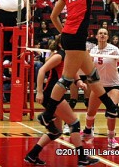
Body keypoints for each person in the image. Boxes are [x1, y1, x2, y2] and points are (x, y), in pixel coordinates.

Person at [38, 0, 119, 157]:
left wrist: (63, 33)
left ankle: (113, 108)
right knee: (66, 79)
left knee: (93, 76)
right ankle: (46, 115)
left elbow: (54, 16)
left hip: (70, 35)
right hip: (77, 36)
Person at [25, 36, 98, 166]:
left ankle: (32, 155)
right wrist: (39, 91)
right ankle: (82, 158)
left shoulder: (68, 56)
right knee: (74, 123)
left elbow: (71, 71)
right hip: (51, 95)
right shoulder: (59, 56)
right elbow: (41, 70)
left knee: (56, 131)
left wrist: (79, 81)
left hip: (56, 94)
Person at [82, 28, 119, 149]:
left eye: (105, 33)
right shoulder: (92, 50)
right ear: (97, 37)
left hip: (114, 84)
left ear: (108, 37)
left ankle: (111, 139)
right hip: (99, 85)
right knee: (90, 112)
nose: (103, 35)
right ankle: (88, 132)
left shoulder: (114, 50)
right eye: (100, 33)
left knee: (111, 111)